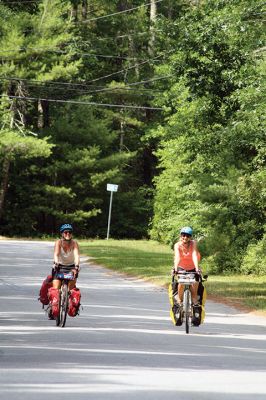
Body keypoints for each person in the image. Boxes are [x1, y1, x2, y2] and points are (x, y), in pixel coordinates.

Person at [172, 226, 200, 306]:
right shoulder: (177, 245)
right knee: (181, 282)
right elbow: (177, 257)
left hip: (192, 267)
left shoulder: (193, 243)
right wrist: (175, 268)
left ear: (190, 237)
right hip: (181, 267)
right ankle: (179, 300)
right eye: (183, 235)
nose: (185, 237)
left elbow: (194, 255)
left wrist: (197, 268)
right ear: (180, 235)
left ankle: (194, 299)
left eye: (188, 236)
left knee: (195, 281)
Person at [52, 223, 80, 291]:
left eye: (70, 232)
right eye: (65, 232)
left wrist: (77, 266)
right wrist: (56, 263)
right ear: (62, 234)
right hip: (59, 267)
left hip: (71, 267)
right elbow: (56, 254)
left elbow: (76, 255)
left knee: (71, 291)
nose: (68, 234)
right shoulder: (58, 242)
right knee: (55, 291)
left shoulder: (74, 243)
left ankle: (68, 300)